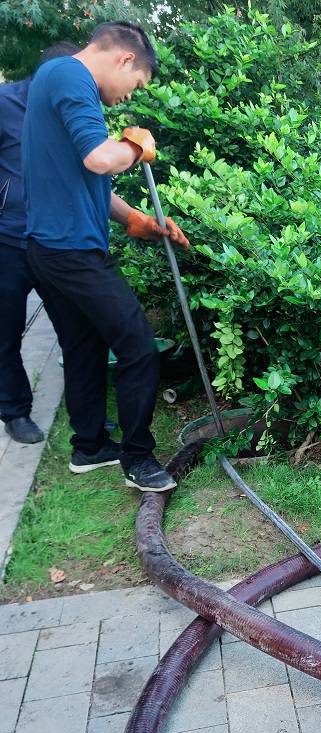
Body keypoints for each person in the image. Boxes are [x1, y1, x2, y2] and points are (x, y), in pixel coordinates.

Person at [22, 21, 190, 491]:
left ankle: (90, 446)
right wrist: (137, 145)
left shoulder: (54, 78)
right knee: (137, 346)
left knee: (84, 346)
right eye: (136, 84)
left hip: (47, 248)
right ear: (124, 60)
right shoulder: (73, 77)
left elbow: (84, 176)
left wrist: (133, 218)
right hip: (72, 251)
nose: (129, 96)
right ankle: (139, 458)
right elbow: (100, 158)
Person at [0, 42, 80, 444]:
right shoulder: (4, 103)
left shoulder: (71, 108)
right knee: (6, 331)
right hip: (8, 243)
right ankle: (15, 412)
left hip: (58, 242)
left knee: (78, 330)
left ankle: (89, 420)